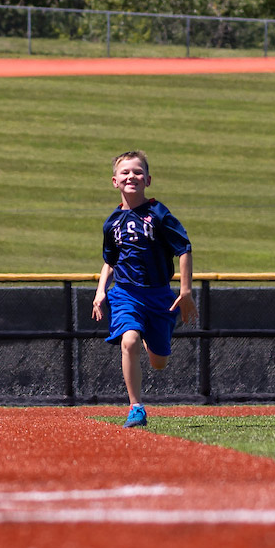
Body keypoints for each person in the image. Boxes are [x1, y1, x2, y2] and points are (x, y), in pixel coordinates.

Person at [92, 150, 196, 428]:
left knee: (159, 362)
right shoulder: (112, 223)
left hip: (160, 295)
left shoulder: (158, 213)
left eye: (137, 172)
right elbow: (110, 260)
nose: (131, 176)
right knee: (129, 341)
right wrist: (101, 291)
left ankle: (151, 336)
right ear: (115, 181)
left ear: (148, 180)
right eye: (125, 172)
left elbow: (183, 248)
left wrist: (185, 292)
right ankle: (136, 407)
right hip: (126, 294)